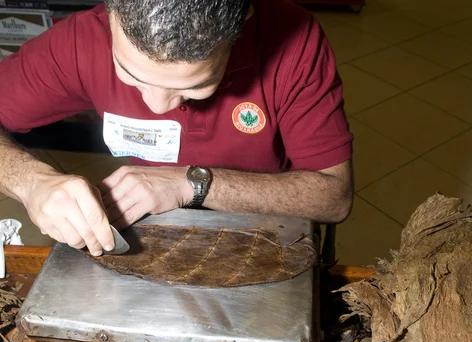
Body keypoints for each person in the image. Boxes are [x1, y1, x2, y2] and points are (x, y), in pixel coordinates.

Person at [0, 0, 353, 256]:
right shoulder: (81, 41)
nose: (157, 106)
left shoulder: (294, 41)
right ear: (111, 12)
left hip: (265, 237)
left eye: (195, 86)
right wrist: (30, 182)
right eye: (132, 75)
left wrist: (191, 183)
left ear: (243, 22)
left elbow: (334, 198)